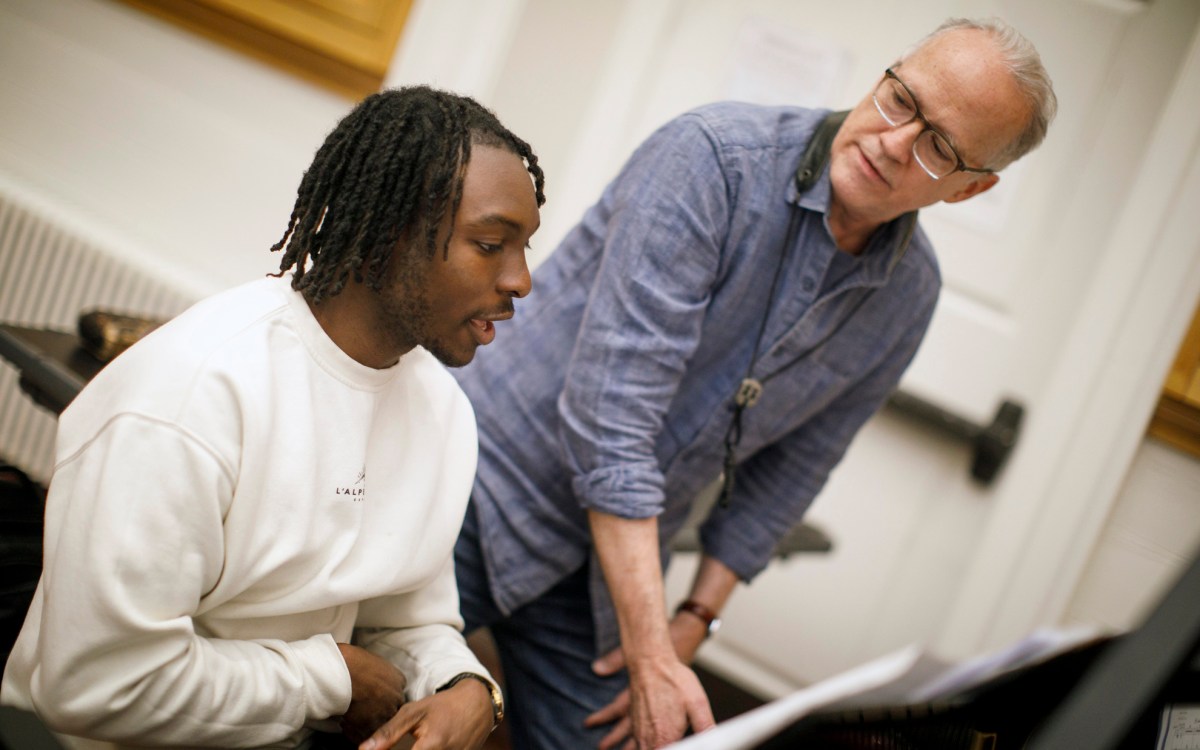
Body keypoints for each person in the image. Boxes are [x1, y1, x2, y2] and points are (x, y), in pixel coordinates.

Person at [451, 16, 1057, 750]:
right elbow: (610, 421)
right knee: (367, 705)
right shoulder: (712, 158)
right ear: (884, 76)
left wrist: (690, 625)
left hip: (600, 575)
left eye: (938, 149)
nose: (894, 142)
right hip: (477, 488)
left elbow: (794, 471)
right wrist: (648, 655)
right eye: (902, 100)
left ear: (967, 190)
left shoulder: (909, 295)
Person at [0, 85, 544, 750]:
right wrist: (329, 677)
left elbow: (401, 618)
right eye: (491, 244)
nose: (521, 280)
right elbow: (92, 686)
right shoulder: (195, 393)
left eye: (524, 248)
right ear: (386, 237)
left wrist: (466, 688)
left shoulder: (443, 415)